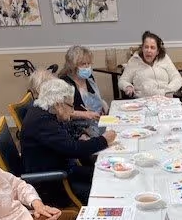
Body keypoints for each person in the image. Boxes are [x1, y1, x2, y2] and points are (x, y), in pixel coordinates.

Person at [20, 79, 116, 207]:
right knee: (108, 193)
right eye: (71, 106)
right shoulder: (42, 122)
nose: (72, 111)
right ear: (59, 104)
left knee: (107, 175)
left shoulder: (44, 110)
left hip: (63, 169)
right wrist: (104, 140)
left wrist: (80, 137)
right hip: (54, 183)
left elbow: (65, 139)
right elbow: (74, 149)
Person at [59, 45, 108, 136]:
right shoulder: (65, 83)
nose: (87, 67)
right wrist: (85, 114)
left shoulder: (88, 78)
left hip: (97, 121)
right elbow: (62, 112)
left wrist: (102, 106)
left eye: (88, 63)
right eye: (83, 64)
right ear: (72, 65)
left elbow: (95, 99)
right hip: (79, 128)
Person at [118, 31, 182, 98]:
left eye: (152, 48)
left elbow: (177, 78)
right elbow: (122, 80)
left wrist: (168, 90)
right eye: (146, 47)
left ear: (157, 51)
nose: (148, 50)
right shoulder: (134, 60)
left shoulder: (164, 58)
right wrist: (127, 86)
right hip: (143, 102)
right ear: (142, 48)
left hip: (165, 100)